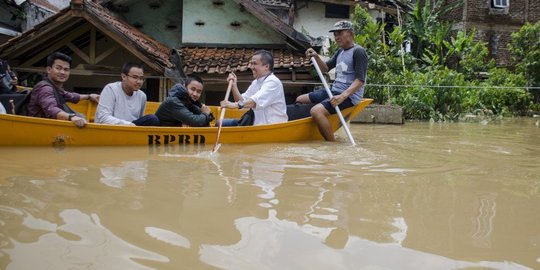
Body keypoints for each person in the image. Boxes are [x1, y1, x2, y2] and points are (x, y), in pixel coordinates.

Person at [296, 20, 368, 141]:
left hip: (348, 96)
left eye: (340, 33)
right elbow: (325, 68)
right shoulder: (340, 51)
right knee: (300, 99)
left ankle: (332, 145)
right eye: (335, 34)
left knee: (316, 111)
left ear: (350, 34)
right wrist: (316, 56)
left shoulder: (358, 52)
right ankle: (312, 129)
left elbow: (360, 80)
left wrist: (342, 96)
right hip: (333, 91)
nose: (336, 37)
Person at [27, 52, 100, 128]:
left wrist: (89, 96)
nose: (62, 72)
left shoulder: (55, 88)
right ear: (49, 69)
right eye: (58, 68)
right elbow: (51, 108)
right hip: (40, 129)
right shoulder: (45, 88)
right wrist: (71, 117)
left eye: (66, 69)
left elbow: (70, 96)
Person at [219, 50, 287, 126]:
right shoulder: (255, 82)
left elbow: (254, 101)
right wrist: (234, 86)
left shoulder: (273, 82)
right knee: (219, 123)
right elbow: (241, 101)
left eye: (254, 64)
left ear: (266, 66)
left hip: (272, 127)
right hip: (257, 126)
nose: (251, 67)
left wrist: (233, 105)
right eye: (251, 64)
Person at [95, 63, 160, 126]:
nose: (139, 81)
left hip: (132, 129)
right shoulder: (110, 89)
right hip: (111, 130)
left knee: (153, 119)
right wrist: (128, 124)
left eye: (141, 78)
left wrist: (131, 125)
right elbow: (103, 118)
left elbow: (140, 119)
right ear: (123, 77)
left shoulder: (142, 96)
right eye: (135, 77)